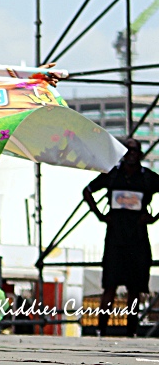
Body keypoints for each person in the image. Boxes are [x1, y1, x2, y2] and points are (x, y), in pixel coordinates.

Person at [83, 138, 159, 337]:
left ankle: (131, 331)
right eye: (128, 150)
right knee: (110, 284)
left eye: (135, 150)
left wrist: (153, 218)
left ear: (140, 154)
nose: (131, 154)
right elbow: (88, 191)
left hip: (138, 237)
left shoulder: (148, 177)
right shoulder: (113, 174)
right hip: (115, 237)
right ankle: (101, 329)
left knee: (135, 287)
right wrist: (100, 215)